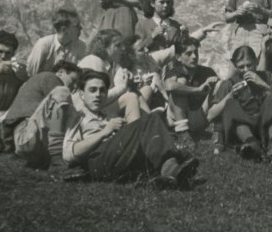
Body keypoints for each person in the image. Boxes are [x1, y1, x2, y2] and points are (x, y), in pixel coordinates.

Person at [63, 69, 200, 189]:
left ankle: (165, 175)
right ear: (81, 94)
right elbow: (69, 154)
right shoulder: (77, 115)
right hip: (96, 161)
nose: (98, 95)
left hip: (116, 157)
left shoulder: (108, 114)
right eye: (92, 90)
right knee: (151, 119)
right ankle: (172, 168)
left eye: (102, 90)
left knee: (153, 121)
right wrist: (105, 131)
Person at [210, 46, 272, 161]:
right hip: (243, 128)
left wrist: (263, 84)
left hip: (264, 124)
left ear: (256, 61)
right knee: (230, 104)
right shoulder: (229, 83)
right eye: (241, 67)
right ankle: (252, 144)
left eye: (249, 65)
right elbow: (211, 114)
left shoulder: (267, 76)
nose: (246, 70)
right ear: (235, 66)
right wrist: (230, 95)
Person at [3, 61, 83, 174]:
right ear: (61, 72)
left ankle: (61, 157)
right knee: (62, 92)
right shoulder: (49, 77)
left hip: (27, 142)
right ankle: (56, 159)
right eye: (73, 80)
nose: (74, 87)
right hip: (26, 136)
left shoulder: (34, 82)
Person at [163, 37, 219, 150]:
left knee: (219, 85)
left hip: (198, 116)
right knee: (179, 82)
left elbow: (222, 89)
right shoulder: (175, 71)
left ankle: (220, 130)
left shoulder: (207, 72)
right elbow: (169, 86)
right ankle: (183, 133)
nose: (194, 57)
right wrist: (197, 89)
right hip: (176, 118)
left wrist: (214, 83)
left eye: (196, 52)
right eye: (188, 53)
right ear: (178, 57)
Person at [78, 29, 142, 122]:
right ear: (104, 47)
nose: (123, 49)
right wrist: (122, 87)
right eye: (117, 45)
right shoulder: (94, 62)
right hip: (86, 113)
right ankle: (138, 131)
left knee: (135, 92)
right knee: (131, 97)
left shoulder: (107, 64)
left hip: (96, 108)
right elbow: (97, 97)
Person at [26, 8, 87, 77]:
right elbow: (31, 74)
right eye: (77, 26)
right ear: (64, 30)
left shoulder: (81, 47)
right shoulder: (44, 45)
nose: (81, 28)